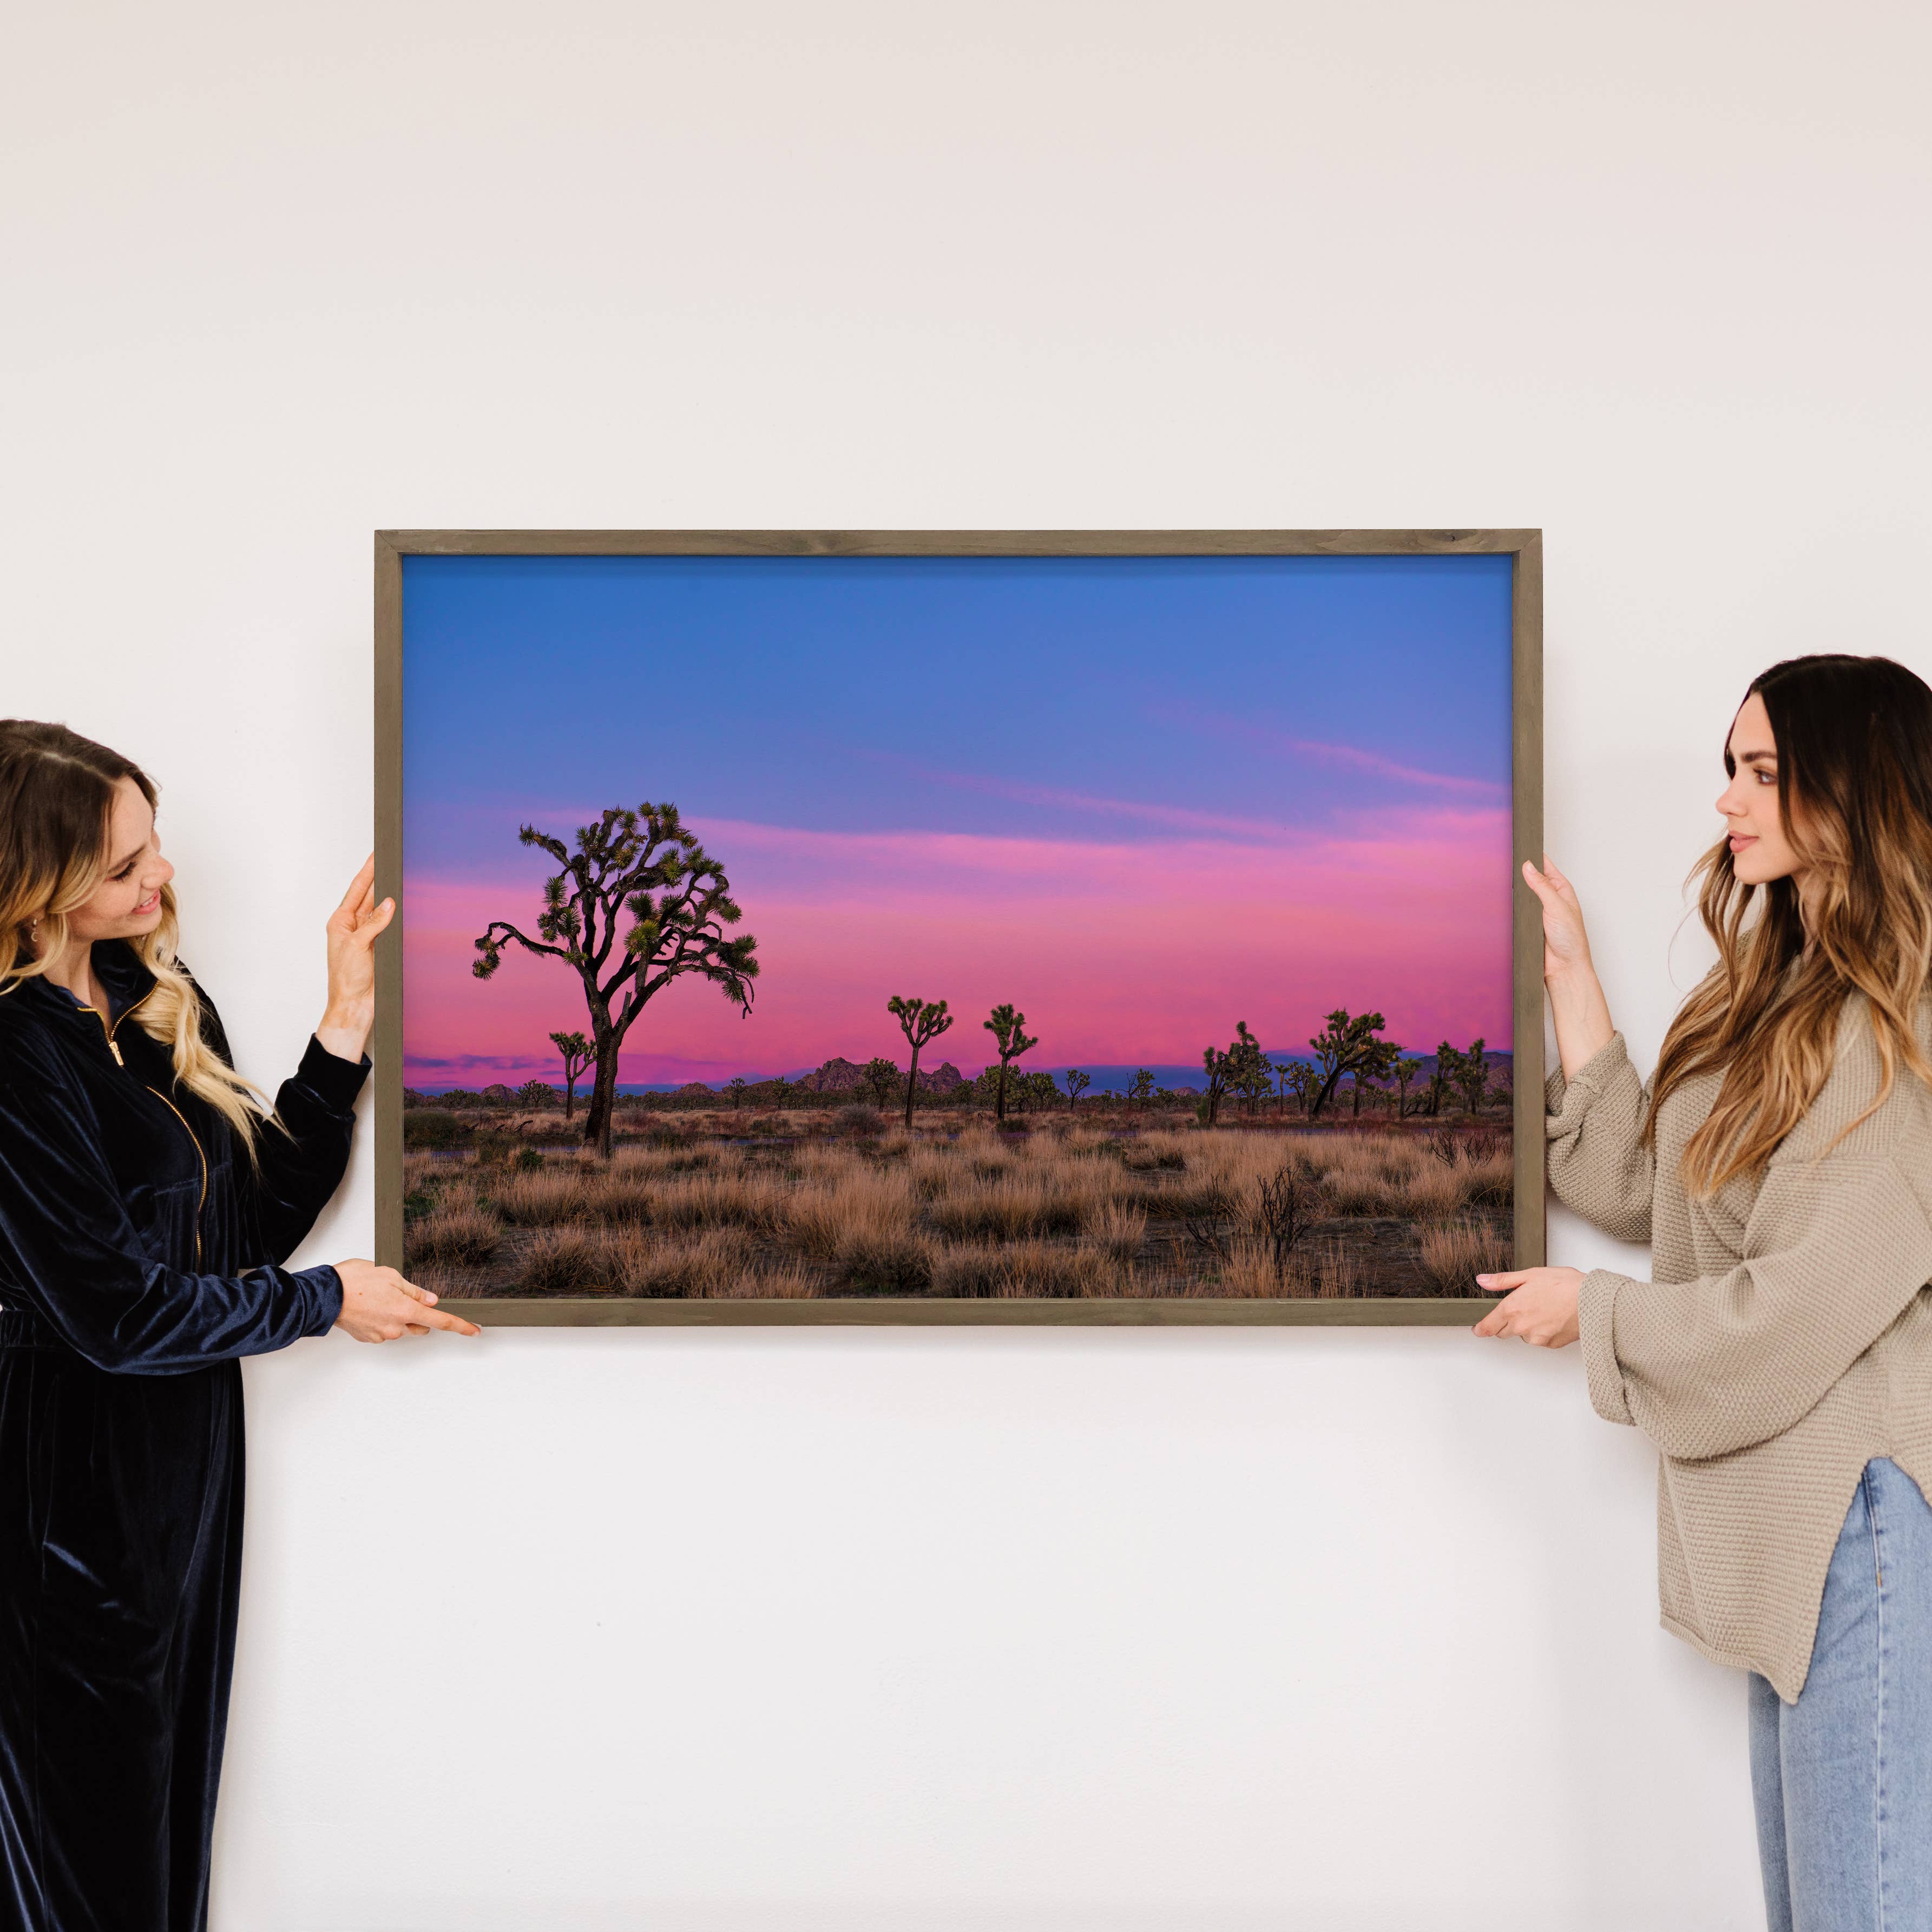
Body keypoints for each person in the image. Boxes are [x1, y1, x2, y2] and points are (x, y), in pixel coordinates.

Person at [1474, 654, 1932, 1930]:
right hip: (1795, 1537)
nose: (1731, 801)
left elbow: (1795, 1312)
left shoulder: (1905, 1030)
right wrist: (1571, 975)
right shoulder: (1772, 994)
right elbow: (1648, 1187)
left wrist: (1595, 1316)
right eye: (1730, 769)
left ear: (1856, 791)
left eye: (1766, 773)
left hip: (1863, 1534)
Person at [0, 719, 479, 1932]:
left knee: (160, 1854)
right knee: (86, 1875)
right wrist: (327, 1303)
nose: (161, 878)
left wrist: (345, 1021)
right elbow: (113, 1315)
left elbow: (246, 1224)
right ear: (33, 884)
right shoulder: (11, 1055)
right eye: (124, 866)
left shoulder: (148, 993)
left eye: (153, 844)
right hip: (56, 1504)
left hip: (180, 1485)